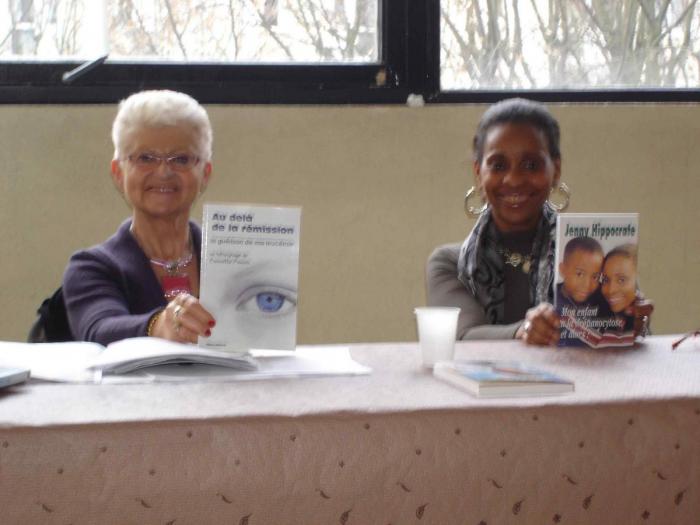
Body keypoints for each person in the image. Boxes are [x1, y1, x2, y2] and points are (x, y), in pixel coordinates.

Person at [426, 98, 651, 346]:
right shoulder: (450, 264)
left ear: (555, 169)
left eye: (531, 164)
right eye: (499, 165)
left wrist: (631, 322)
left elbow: (618, 339)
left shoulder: (598, 253)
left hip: (583, 385)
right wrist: (524, 331)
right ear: (479, 173)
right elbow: (463, 337)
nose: (513, 179)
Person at [62, 90, 216, 345]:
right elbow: (99, 330)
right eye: (145, 158)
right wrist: (160, 325)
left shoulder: (235, 256)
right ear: (118, 172)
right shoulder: (90, 267)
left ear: (205, 173)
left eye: (181, 159)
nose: (164, 171)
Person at [556, 236, 605, 309]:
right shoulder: (552, 296)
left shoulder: (602, 296)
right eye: (579, 274)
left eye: (595, 277)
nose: (587, 285)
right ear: (563, 270)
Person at [600, 244, 639, 331]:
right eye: (606, 280)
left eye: (621, 280)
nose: (611, 290)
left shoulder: (641, 314)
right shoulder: (598, 309)